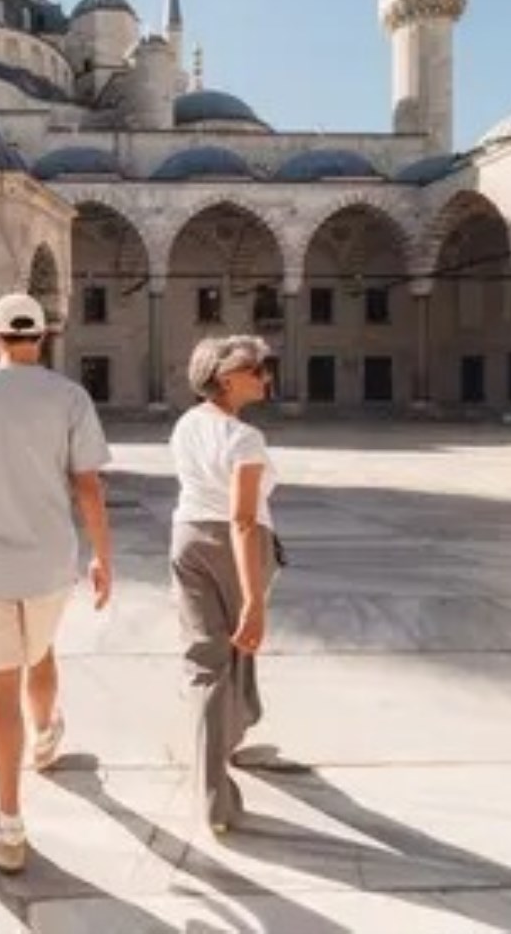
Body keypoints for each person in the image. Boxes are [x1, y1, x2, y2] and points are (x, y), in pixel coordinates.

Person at [0, 292, 113, 874]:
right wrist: (103, 556)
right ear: (43, 336)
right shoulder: (70, 396)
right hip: (50, 561)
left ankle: (7, 824)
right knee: (43, 649)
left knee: (0, 686)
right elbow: (88, 486)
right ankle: (46, 737)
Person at [168, 335, 282, 835]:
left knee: (205, 661)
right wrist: (254, 600)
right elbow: (242, 518)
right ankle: (219, 779)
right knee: (235, 651)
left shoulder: (186, 425)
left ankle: (220, 763)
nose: (266, 377)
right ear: (228, 378)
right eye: (257, 370)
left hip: (187, 538)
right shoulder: (244, 438)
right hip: (234, 548)